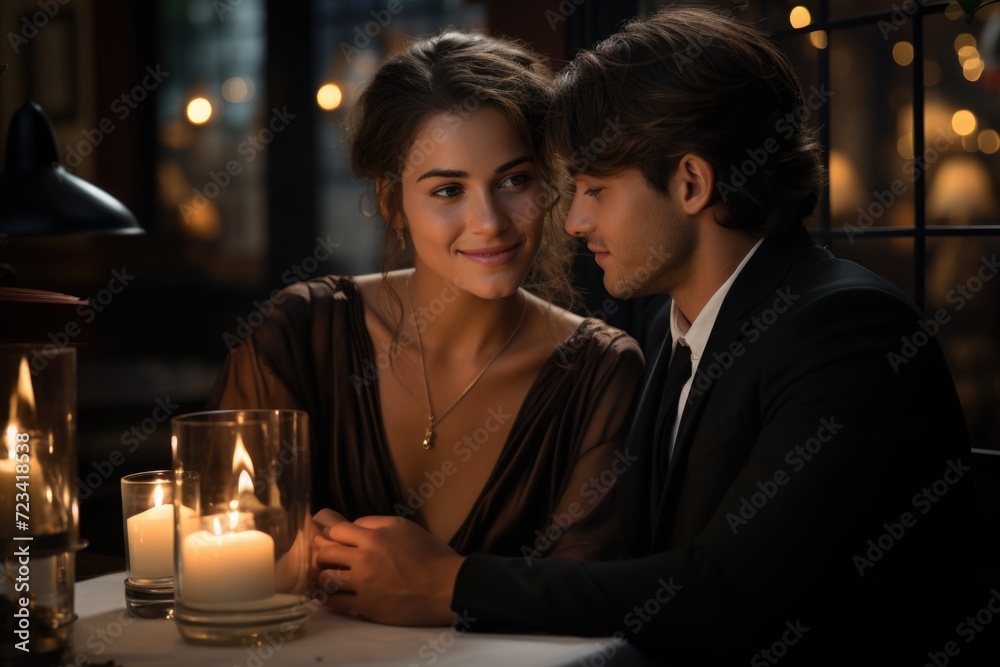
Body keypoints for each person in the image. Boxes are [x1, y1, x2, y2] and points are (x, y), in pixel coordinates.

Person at [311, 7, 980, 664]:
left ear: (691, 182)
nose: (571, 221)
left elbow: (727, 594)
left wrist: (448, 583)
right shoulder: (669, 329)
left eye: (595, 188)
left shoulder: (844, 330)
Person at [208, 30, 642, 562]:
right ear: (392, 201)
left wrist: (434, 582)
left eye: (514, 180)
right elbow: (225, 551)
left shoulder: (601, 373)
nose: (489, 223)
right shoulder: (298, 337)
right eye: (448, 190)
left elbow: (584, 600)